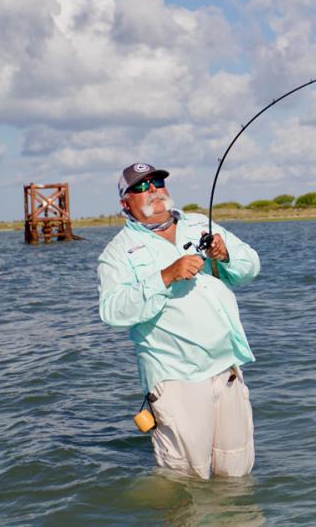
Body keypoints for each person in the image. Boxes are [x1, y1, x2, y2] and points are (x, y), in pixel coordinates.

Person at [98, 162, 260, 479]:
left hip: (226, 369)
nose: (154, 190)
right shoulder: (117, 253)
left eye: (158, 182)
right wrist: (166, 276)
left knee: (238, 477)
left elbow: (251, 267)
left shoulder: (200, 224)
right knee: (185, 482)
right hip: (175, 378)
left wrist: (225, 254)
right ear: (125, 202)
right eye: (141, 187)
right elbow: (112, 311)